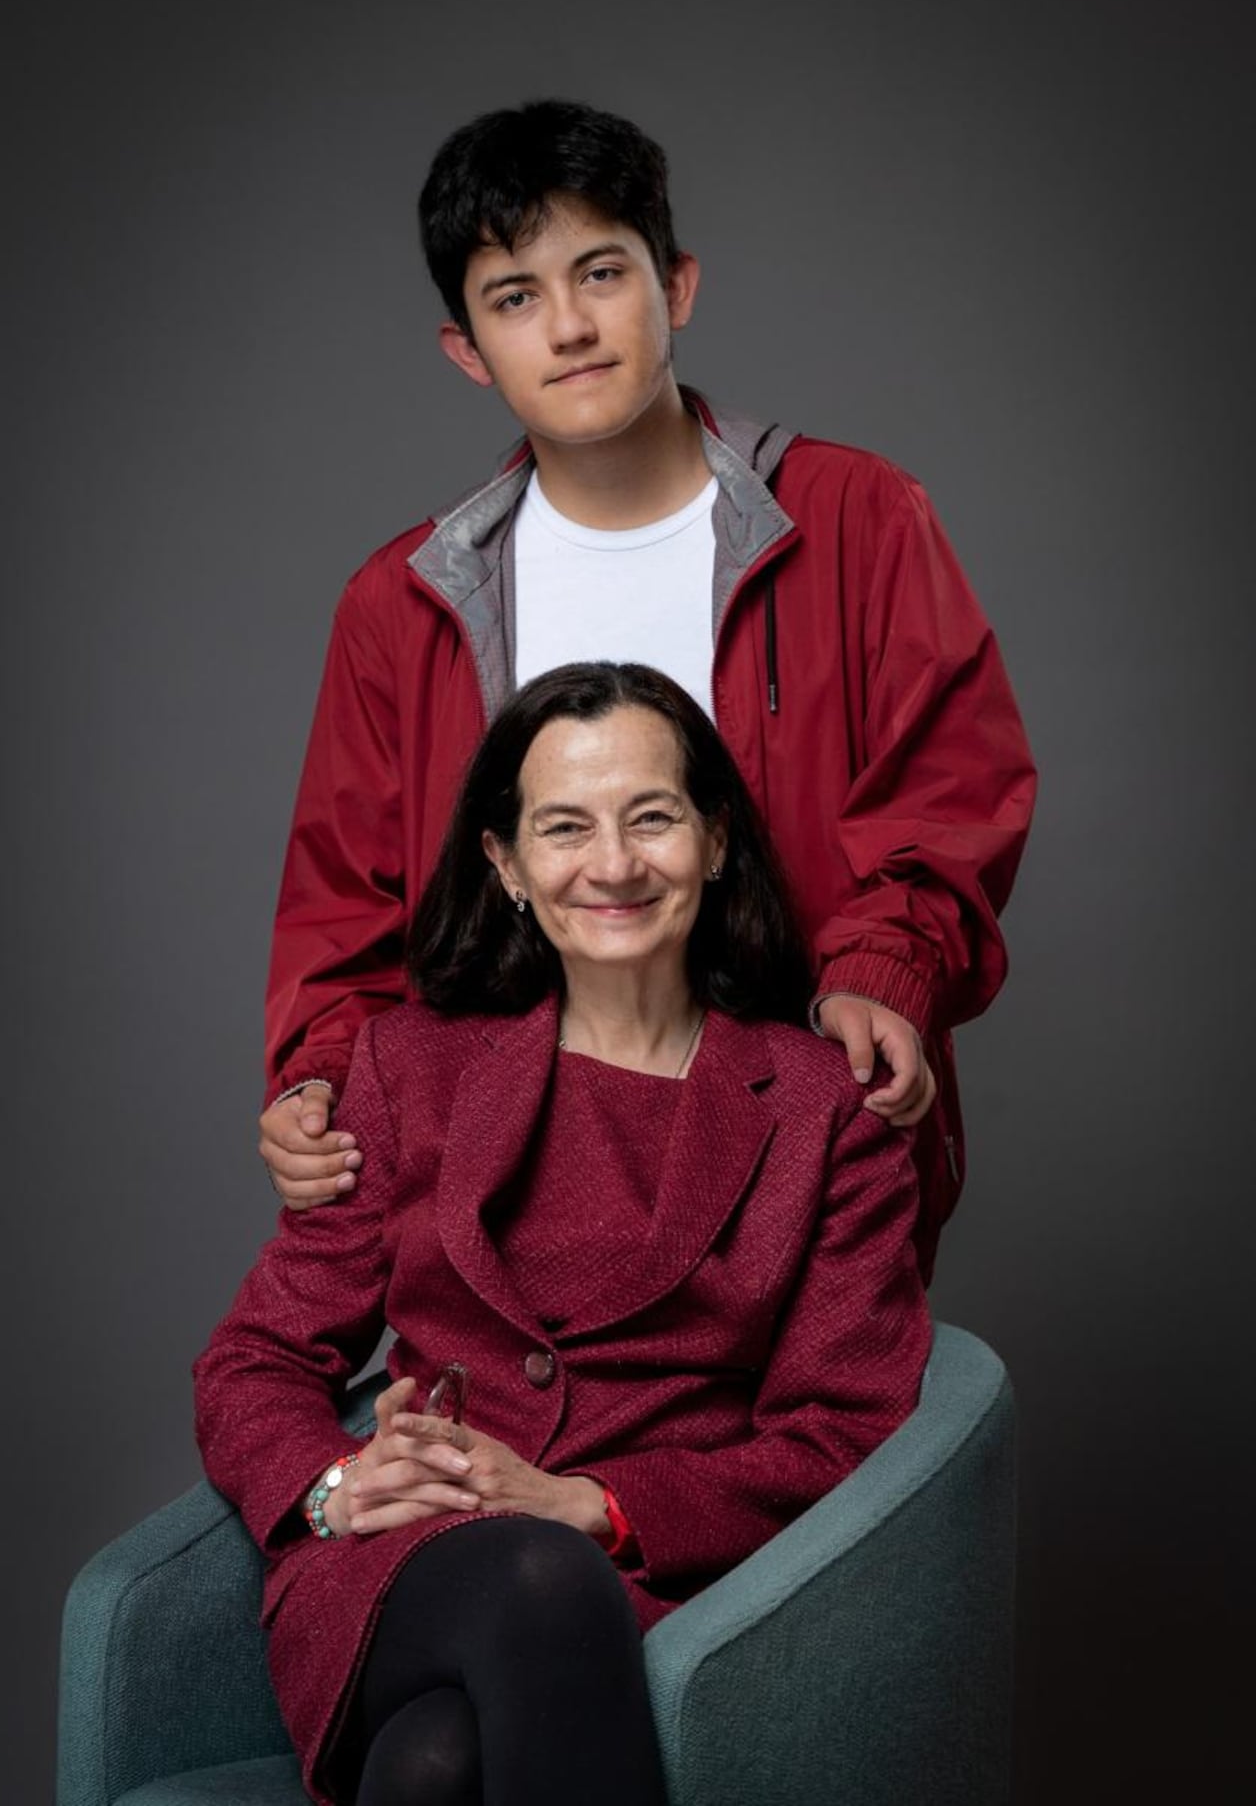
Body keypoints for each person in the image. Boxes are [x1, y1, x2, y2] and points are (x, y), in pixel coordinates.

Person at [258, 99, 1036, 1278]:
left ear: (674, 286)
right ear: (466, 348)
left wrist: (885, 971)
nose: (567, 326)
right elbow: (342, 905)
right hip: (512, 1195)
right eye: (514, 296)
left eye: (601, 272)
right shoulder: (402, 602)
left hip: (808, 1163)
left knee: (802, 1454)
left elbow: (951, 789)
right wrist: (321, 1074)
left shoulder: (853, 519)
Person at [198, 662, 931, 1806]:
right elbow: (252, 1359)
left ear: (717, 837)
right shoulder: (405, 1066)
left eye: (652, 817)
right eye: (563, 826)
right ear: (505, 863)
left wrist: (597, 1502)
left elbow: (843, 1431)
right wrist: (335, 1484)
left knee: (433, 1766)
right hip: (404, 1567)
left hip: (666, 1583)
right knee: (529, 1589)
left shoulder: (819, 1107)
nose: (614, 864)